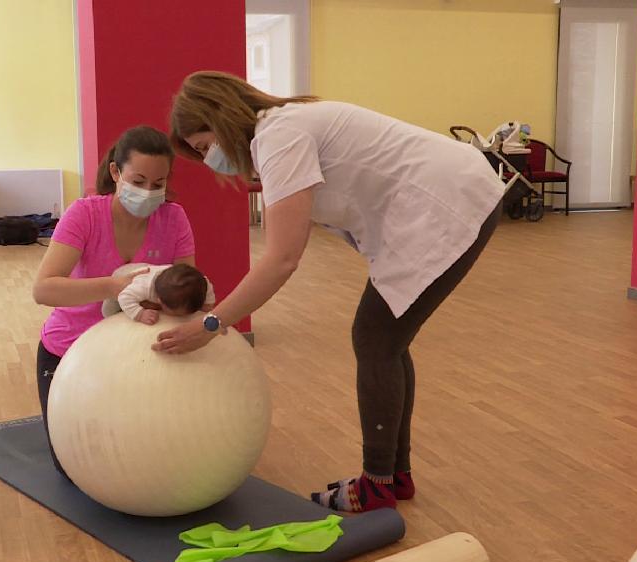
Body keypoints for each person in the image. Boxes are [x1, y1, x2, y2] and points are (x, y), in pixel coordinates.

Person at [155, 71, 505, 512]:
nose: (210, 160)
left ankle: (378, 484)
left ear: (220, 117)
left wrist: (212, 323)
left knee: (376, 340)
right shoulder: (283, 129)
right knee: (385, 342)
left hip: (447, 202)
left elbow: (282, 258)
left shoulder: (278, 135)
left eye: (205, 146)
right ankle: (393, 477)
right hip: (450, 195)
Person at [33, 125, 197, 476]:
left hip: (137, 358)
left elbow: (188, 291)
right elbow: (44, 289)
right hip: (71, 354)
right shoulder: (85, 214)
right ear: (115, 172)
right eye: (138, 181)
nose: (148, 192)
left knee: (149, 461)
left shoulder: (174, 218)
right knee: (78, 468)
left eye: (158, 184)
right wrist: (114, 286)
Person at [101, 262, 216, 324]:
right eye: (177, 314)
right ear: (159, 301)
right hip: (124, 276)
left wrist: (208, 305)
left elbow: (206, 283)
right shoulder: (143, 287)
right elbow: (124, 297)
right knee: (108, 311)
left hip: (160, 273)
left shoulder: (200, 282)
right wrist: (140, 314)